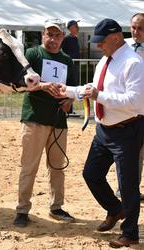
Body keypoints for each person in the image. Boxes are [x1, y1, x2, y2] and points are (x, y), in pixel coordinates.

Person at [64, 18, 144, 248]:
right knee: (91, 174)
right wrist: (69, 91)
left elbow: (133, 101)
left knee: (127, 184)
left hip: (127, 129)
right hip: (104, 130)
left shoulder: (133, 63)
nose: (98, 46)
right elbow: (94, 88)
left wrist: (99, 96)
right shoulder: (106, 61)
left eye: (102, 41)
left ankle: (129, 234)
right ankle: (114, 208)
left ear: (116, 38)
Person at [13, 18, 77, 227]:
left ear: (63, 37)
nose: (53, 39)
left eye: (57, 35)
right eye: (49, 34)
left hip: (58, 121)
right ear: (43, 35)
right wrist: (42, 86)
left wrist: (69, 100)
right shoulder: (33, 54)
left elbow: (73, 89)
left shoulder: (67, 60)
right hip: (34, 118)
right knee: (29, 166)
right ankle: (22, 210)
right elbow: (20, 83)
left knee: (57, 167)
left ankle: (56, 206)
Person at [116, 13, 144, 200]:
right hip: (125, 109)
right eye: (133, 27)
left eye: (140, 28)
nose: (135, 32)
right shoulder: (122, 46)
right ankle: (126, 189)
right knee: (128, 152)